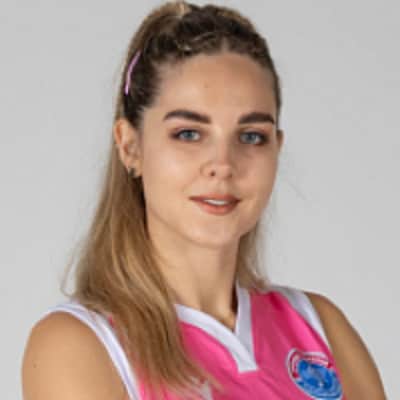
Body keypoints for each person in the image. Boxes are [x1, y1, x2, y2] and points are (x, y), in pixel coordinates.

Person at [21, 1, 386, 399]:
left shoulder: (320, 328)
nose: (223, 165)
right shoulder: (80, 345)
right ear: (130, 146)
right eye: (189, 134)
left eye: (251, 136)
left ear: (276, 149)